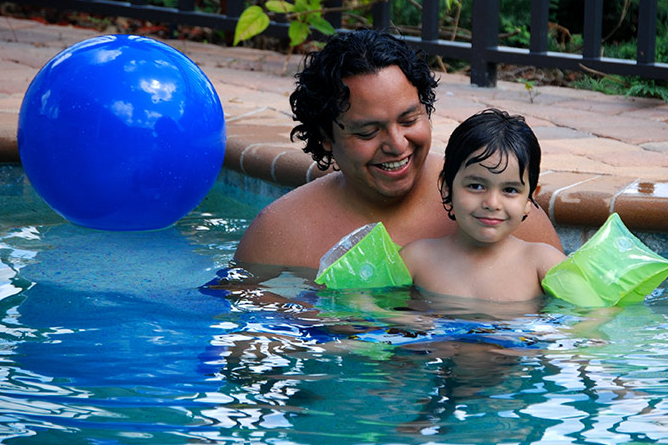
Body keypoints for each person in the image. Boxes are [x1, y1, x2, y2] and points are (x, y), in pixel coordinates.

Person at [234, 30, 562, 270]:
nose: (397, 144)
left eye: (409, 119)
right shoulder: (280, 234)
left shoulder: (497, 208)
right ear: (325, 137)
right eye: (368, 131)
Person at [400, 108, 566, 302]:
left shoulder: (543, 264)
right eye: (476, 186)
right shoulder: (416, 260)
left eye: (510, 190)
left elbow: (588, 321)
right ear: (446, 187)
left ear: (529, 199)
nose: (492, 203)